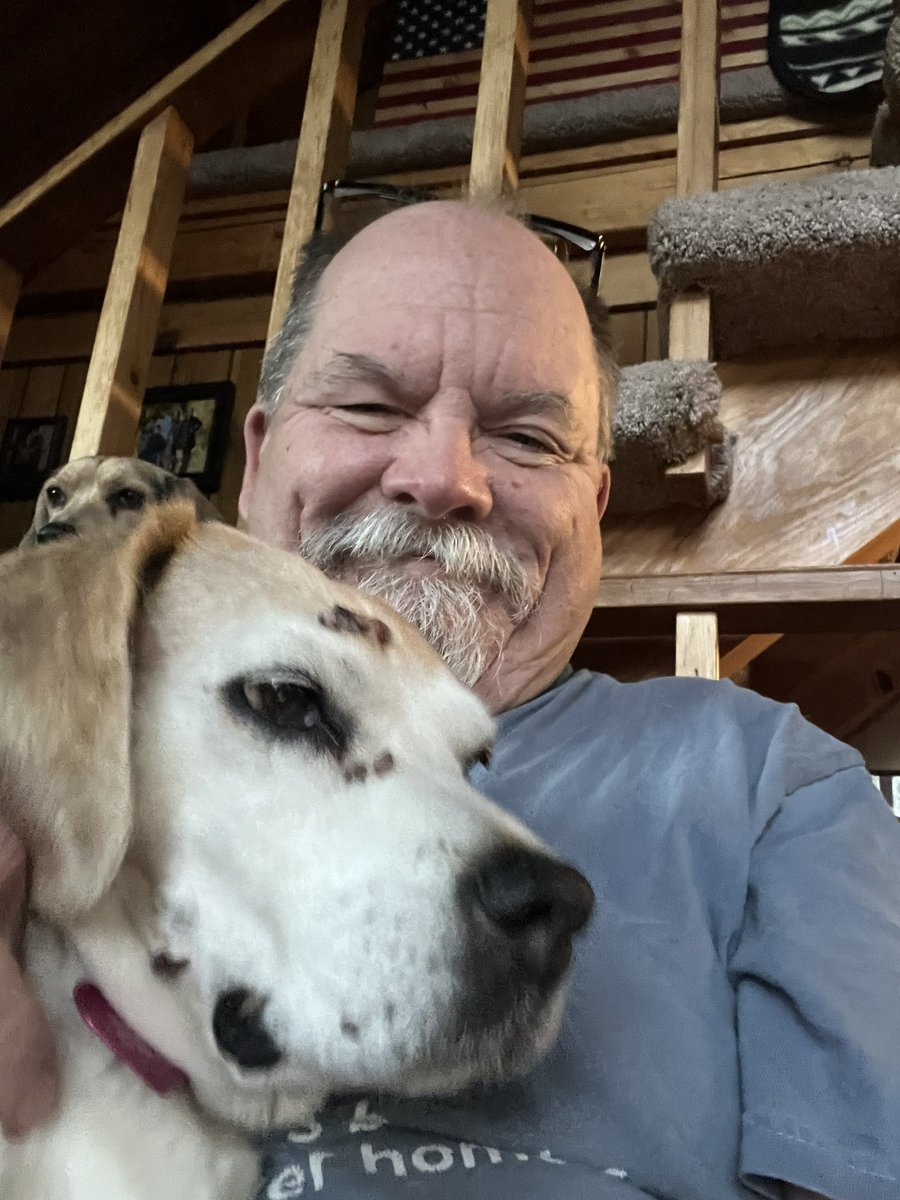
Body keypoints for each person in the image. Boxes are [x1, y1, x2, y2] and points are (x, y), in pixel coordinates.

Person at [3, 199, 900, 1200]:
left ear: (593, 506)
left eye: (525, 435)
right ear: (257, 459)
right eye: (371, 408)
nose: (442, 479)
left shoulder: (773, 783)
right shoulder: (63, 689)